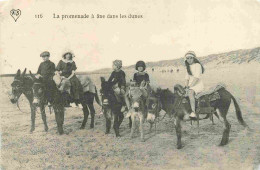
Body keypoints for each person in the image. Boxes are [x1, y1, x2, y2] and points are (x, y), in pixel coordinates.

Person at [184, 51, 205, 119]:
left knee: (190, 92)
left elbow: (196, 78)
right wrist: (186, 86)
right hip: (190, 85)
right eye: (187, 58)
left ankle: (193, 112)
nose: (189, 60)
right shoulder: (188, 67)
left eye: (191, 58)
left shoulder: (197, 65)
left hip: (198, 84)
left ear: (194, 58)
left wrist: (189, 87)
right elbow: (187, 79)